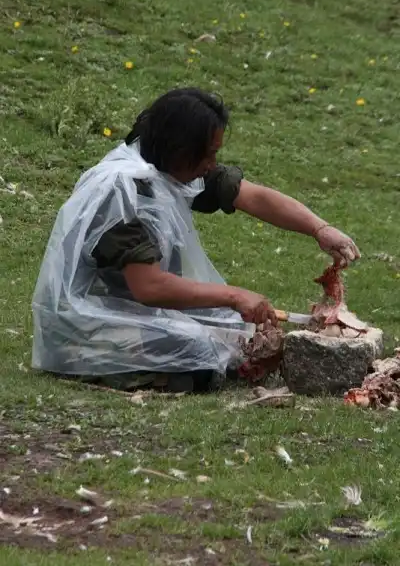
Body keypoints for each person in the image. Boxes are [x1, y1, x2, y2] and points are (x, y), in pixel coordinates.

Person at [31, 88, 360, 393]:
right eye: (207, 155)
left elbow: (251, 196)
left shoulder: (168, 169)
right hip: (86, 321)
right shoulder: (123, 191)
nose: (211, 166)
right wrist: (234, 296)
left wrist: (320, 229)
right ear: (180, 148)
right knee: (199, 350)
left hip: (131, 307)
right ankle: (103, 365)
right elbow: (149, 287)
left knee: (237, 334)